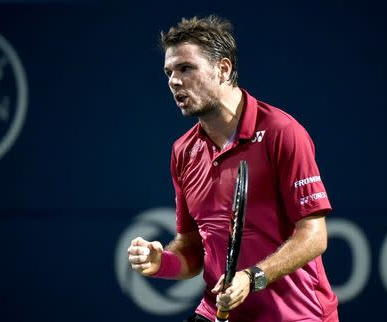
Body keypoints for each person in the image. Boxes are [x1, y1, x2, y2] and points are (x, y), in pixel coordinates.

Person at [127, 15, 339, 322]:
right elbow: (192, 248)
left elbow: (315, 236)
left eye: (186, 68)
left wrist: (253, 278)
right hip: (219, 312)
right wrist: (162, 262)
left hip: (296, 314)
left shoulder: (282, 132)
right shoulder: (183, 151)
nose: (174, 80)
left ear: (223, 69)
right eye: (169, 72)